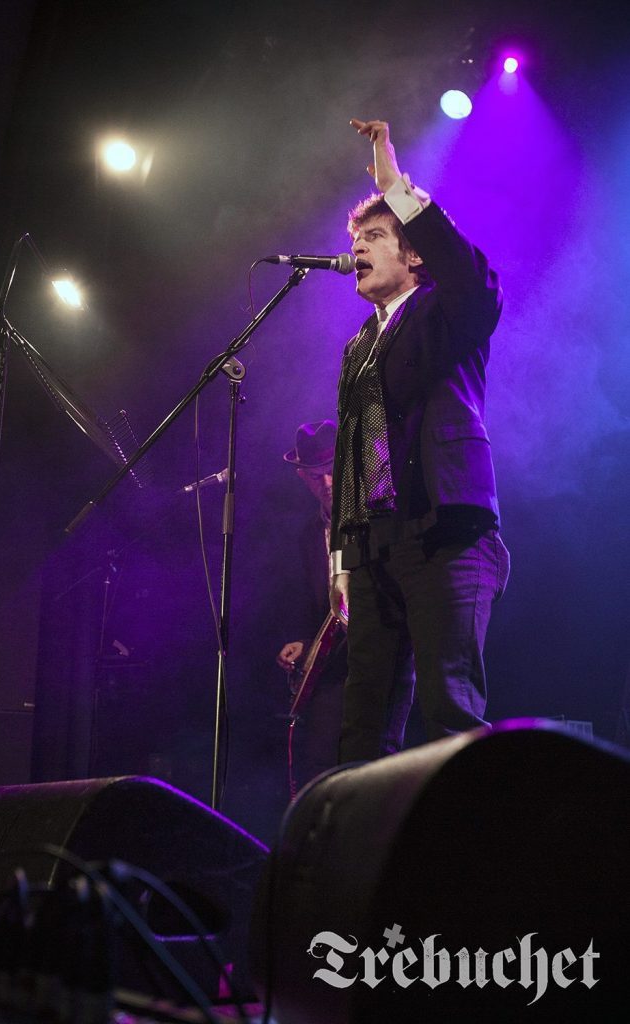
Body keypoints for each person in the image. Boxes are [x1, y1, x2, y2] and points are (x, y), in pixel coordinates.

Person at [329, 118, 510, 764]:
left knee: (447, 710)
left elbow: (473, 280)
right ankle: (366, 833)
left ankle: (468, 830)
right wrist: (341, 560)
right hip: (374, 546)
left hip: (443, 530)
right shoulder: (357, 345)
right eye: (355, 239)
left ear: (413, 256)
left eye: (374, 237)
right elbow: (351, 450)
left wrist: (396, 189)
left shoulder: (444, 309)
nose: (358, 247)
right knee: (363, 727)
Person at [277, 420, 347, 789]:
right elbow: (315, 608)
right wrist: (304, 643)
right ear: (304, 478)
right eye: (317, 476)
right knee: (321, 768)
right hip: (333, 670)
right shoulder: (307, 536)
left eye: (333, 471)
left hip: (378, 659)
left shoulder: (378, 519)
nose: (328, 483)